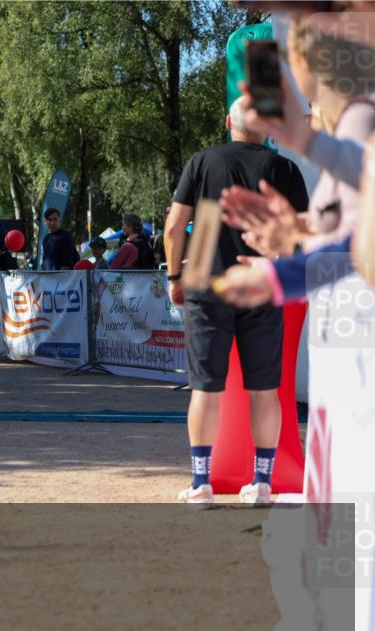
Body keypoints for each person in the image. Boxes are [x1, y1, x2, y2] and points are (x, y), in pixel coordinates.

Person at [165, 99, 309, 505]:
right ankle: (262, 483)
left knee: (205, 388)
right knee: (264, 389)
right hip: (262, 281)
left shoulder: (202, 162)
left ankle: (201, 483)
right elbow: (302, 237)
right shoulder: (284, 169)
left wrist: (175, 276)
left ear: (228, 122)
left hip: (207, 278)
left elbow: (175, 226)